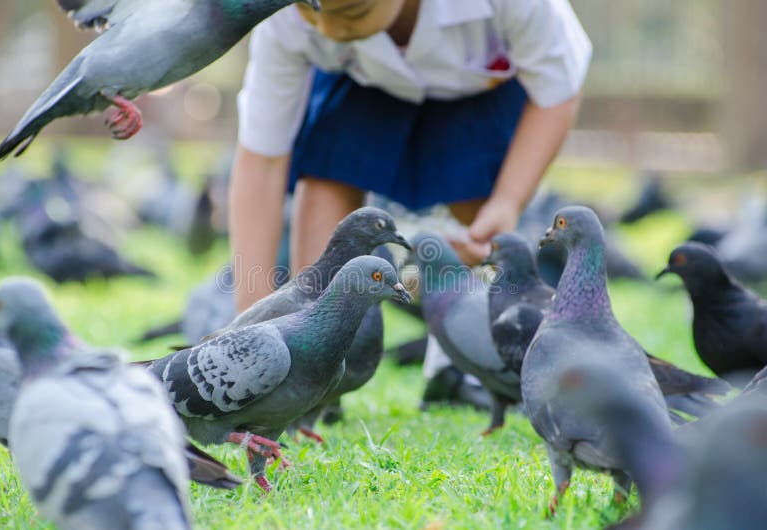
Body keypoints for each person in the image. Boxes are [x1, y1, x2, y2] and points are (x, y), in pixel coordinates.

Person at [228, 0, 591, 402]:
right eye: (312, 10)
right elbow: (261, 160)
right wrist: (254, 332)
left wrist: (506, 202)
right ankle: (310, 373)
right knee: (327, 177)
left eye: (351, 11)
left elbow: (557, 90)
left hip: (478, 90)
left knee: (479, 209)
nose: (328, 27)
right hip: (358, 86)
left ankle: (474, 364)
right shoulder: (283, 16)